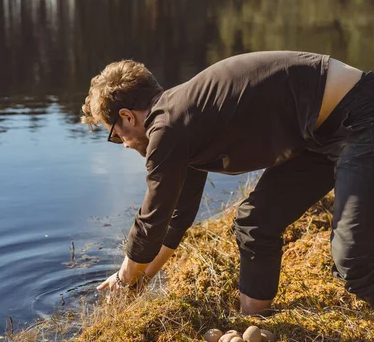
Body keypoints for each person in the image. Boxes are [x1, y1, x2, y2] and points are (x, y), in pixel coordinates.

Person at [81, 51, 374, 314]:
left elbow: (152, 218)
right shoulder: (182, 123)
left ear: (127, 116)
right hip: (317, 137)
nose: (123, 145)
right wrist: (138, 283)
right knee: (254, 221)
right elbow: (176, 219)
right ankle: (255, 322)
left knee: (354, 261)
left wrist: (124, 278)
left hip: (359, 116)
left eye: (115, 135)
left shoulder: (167, 127)